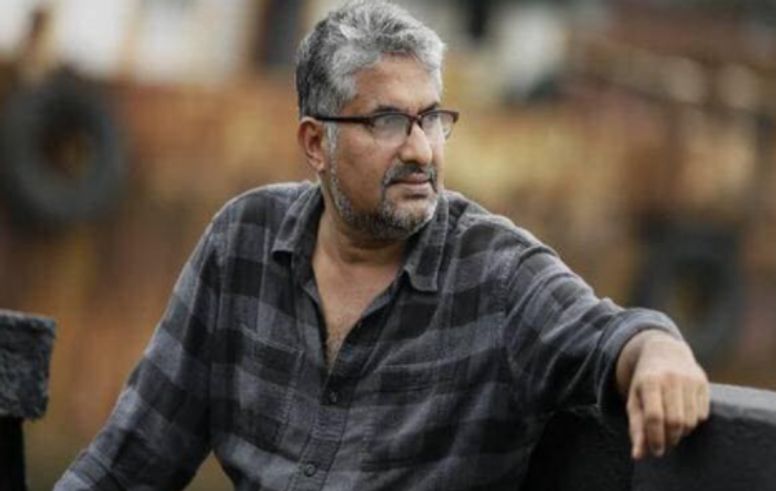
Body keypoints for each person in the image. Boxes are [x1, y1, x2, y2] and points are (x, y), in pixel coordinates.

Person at [56, 1, 709, 489]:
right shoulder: (243, 242)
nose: (422, 149)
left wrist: (658, 350)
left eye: (432, 118)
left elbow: (608, 334)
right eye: (389, 120)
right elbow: (127, 463)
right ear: (317, 142)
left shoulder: (496, 271)